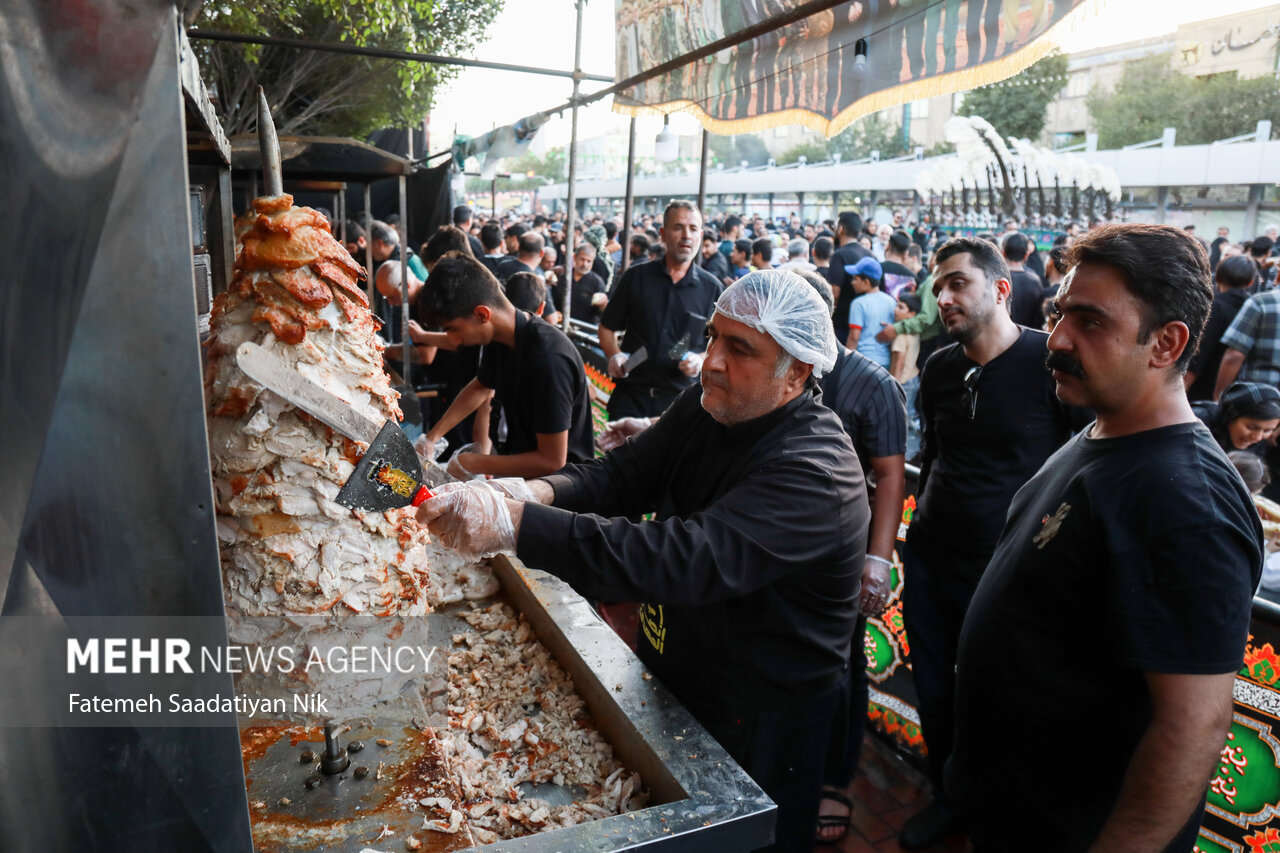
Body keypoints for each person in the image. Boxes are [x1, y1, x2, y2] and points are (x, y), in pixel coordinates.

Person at [421, 270, 869, 853]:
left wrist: (516, 524)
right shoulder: (712, 406)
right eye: (713, 337)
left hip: (762, 711)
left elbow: (681, 557)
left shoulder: (814, 472)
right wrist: (534, 494)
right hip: (681, 668)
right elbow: (623, 475)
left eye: (740, 349)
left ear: (799, 373)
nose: (711, 361)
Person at [948, 224, 1263, 851]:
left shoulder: (1184, 500)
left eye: (1090, 322)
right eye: (1060, 313)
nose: (1058, 339)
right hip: (1009, 812)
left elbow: (1192, 726)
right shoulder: (1104, 429)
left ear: (1166, 344)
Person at [899, 237, 1089, 850]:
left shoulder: (1049, 364)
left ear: (1001, 289)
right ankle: (948, 796)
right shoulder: (938, 367)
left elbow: (1080, 468)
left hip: (1010, 571)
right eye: (938, 287)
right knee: (935, 687)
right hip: (930, 559)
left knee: (1002, 696)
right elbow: (933, 456)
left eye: (958, 283)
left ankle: (1000, 812)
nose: (944, 298)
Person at [794, 270, 906, 845]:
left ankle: (837, 777)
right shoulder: (782, 365)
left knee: (845, 666)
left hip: (842, 551)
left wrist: (877, 561)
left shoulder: (871, 383)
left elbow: (889, 477)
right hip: (781, 546)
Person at [415, 253, 593, 479]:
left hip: (561, 489)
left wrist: (476, 462)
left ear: (482, 314)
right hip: (521, 468)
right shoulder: (500, 338)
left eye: (453, 329)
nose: (453, 339)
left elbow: (552, 460)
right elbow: (480, 387)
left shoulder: (548, 358)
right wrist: (432, 437)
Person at [598, 201, 723, 419]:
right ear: (663, 234)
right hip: (631, 397)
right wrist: (614, 355)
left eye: (693, 229)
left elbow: (721, 344)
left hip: (681, 403)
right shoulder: (636, 277)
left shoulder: (712, 288)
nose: (686, 235)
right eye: (678, 227)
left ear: (700, 236)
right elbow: (607, 327)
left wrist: (701, 359)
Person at [1186, 255, 1256, 401]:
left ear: (1218, 277)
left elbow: (1199, 353)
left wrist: (1183, 388)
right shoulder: (1253, 307)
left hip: (1205, 391)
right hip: (1238, 390)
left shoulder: (1215, 307)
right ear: (1250, 282)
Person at [1214, 272, 1280, 399]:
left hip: (1256, 401)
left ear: (1278, 276)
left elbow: (1234, 355)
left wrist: (1219, 397)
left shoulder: (1260, 302)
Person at [1192, 381, 1280, 457]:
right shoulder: (1195, 423)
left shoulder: (1261, 445)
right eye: (1252, 427)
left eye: (1267, 431)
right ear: (1231, 416)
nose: (1257, 437)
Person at [845, 257, 895, 369]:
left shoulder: (858, 303)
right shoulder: (891, 301)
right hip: (885, 362)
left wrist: (847, 364)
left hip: (863, 361)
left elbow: (854, 337)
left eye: (855, 279)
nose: (852, 283)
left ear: (867, 282)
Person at [827, 211, 873, 331]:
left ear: (841, 229)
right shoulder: (870, 255)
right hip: (864, 321)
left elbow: (834, 293)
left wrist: (827, 317)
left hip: (842, 322)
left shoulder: (839, 255)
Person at [1003, 232, 1045, 329]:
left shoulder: (997, 278)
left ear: (1004, 252)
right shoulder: (1035, 280)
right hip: (1026, 335)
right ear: (1026, 255)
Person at [568, 243, 608, 324]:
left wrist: (603, 304)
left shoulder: (597, 282)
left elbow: (602, 314)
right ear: (575, 257)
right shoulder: (564, 275)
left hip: (585, 329)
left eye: (589, 261)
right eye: (582, 259)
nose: (585, 264)